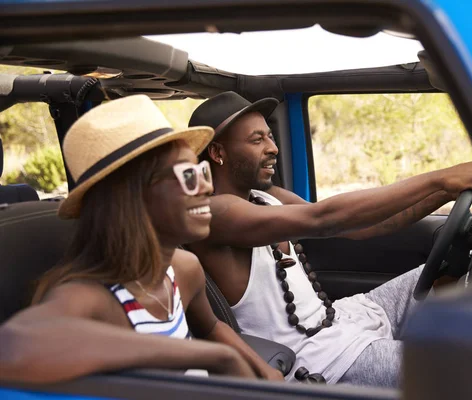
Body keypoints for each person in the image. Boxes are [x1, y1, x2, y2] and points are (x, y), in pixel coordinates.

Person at [186, 91, 472, 388]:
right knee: (465, 371)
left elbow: (362, 228)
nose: (273, 148)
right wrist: (439, 177)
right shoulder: (215, 213)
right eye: (257, 140)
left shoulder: (267, 197)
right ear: (217, 153)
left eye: (270, 136)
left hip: (341, 320)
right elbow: (324, 220)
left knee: (459, 275)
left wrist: (445, 193)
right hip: (319, 360)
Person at [0, 95, 283, 384]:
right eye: (187, 175)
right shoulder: (93, 297)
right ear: (134, 197)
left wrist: (260, 370)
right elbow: (12, 347)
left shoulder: (184, 269)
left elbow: (211, 328)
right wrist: (213, 357)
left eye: (201, 172)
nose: (204, 187)